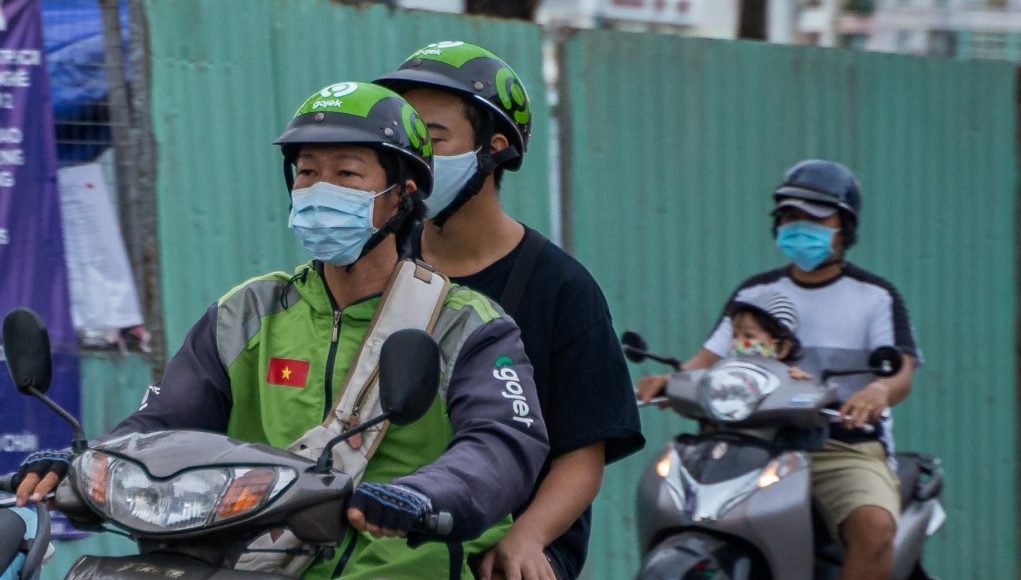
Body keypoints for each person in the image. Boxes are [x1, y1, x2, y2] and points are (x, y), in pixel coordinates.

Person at [13, 82, 550, 579]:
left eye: (346, 174)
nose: (320, 190)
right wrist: (82, 462)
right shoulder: (247, 310)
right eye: (306, 172)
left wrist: (424, 494)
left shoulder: (466, 324)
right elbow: (162, 420)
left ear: (402, 194)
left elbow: (501, 444)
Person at [375, 42, 645, 580]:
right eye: (405, 138)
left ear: (495, 147)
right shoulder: (379, 262)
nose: (414, 155)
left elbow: (582, 454)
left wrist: (528, 537)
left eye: (433, 137)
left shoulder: (562, 288)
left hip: (503, 542)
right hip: (380, 529)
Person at [637, 159, 920, 580]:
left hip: (839, 446)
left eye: (814, 216)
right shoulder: (756, 294)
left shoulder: (875, 296)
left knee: (874, 528)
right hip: (749, 443)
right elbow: (705, 360)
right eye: (790, 215)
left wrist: (878, 393)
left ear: (844, 225)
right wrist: (670, 381)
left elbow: (901, 372)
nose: (799, 225)